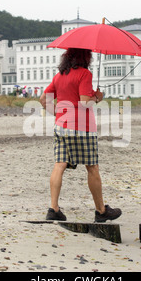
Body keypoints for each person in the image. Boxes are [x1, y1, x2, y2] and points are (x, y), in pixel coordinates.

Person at [40, 48, 122, 223]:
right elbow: (85, 102)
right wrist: (98, 97)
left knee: (60, 165)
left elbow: (42, 99)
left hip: (61, 126)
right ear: (85, 57)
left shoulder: (59, 76)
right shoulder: (84, 74)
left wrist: (57, 113)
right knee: (92, 167)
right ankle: (101, 211)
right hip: (82, 128)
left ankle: (53, 209)